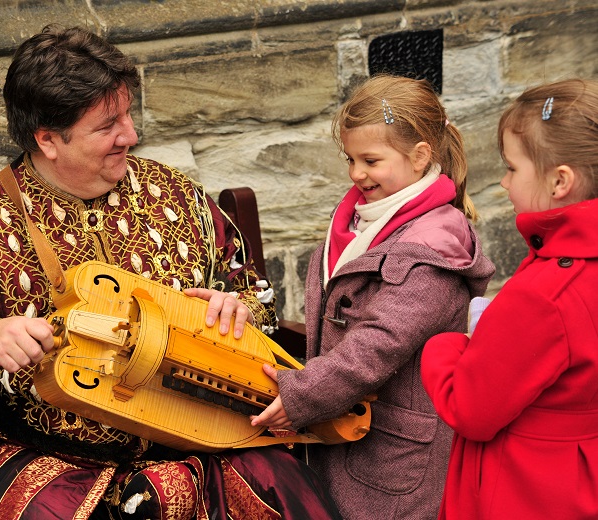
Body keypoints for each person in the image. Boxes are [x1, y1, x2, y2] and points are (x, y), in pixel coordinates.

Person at [0, 24, 340, 520]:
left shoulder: (172, 194)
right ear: (48, 140)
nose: (130, 135)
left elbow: (253, 293)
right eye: (108, 124)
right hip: (50, 459)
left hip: (197, 439)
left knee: (277, 488)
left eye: (128, 113)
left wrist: (237, 308)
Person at [250, 74, 496, 518]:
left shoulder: (431, 250)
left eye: (370, 160)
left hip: (393, 458)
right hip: (347, 432)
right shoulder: (364, 221)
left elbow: (379, 342)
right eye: (350, 158)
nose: (355, 173)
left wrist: (302, 394)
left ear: (420, 156)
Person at [420, 79, 598, 519]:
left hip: (525, 489)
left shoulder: (545, 294)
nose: (503, 182)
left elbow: (471, 408)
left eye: (513, 168)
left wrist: (447, 345)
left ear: (560, 181)